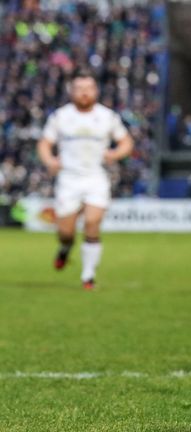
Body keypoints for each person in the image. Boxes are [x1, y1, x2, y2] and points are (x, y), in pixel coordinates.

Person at [37, 69, 134, 290]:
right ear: (72, 91)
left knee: (92, 223)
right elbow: (44, 143)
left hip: (95, 178)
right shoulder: (61, 116)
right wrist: (50, 160)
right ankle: (64, 249)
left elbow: (126, 142)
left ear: (95, 90)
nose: (84, 93)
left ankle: (88, 276)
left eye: (88, 88)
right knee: (66, 233)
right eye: (79, 88)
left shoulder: (107, 116)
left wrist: (115, 154)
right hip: (68, 180)